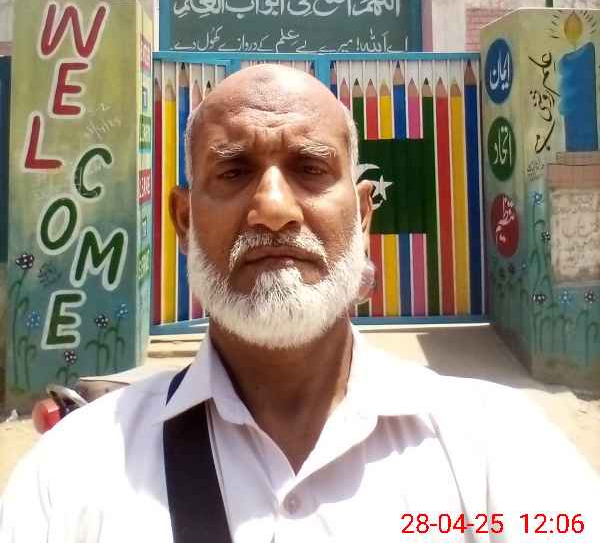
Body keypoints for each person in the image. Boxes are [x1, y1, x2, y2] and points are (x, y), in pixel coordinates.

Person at [1, 63, 598, 543]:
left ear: (362, 215)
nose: (274, 209)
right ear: (184, 222)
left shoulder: (497, 449)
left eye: (310, 168)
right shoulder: (74, 472)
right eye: (233, 172)